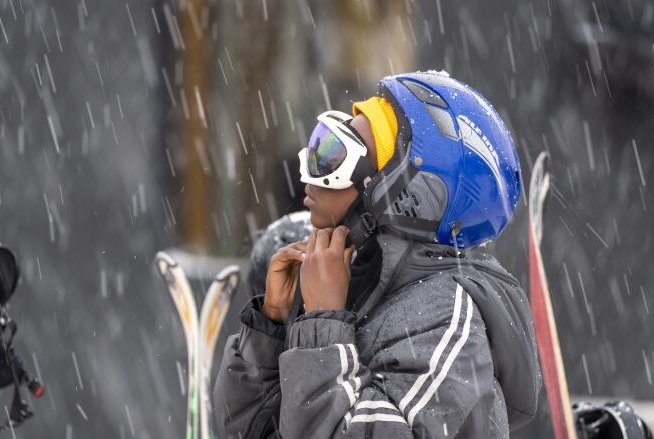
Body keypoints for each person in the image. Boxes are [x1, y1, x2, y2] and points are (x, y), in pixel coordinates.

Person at [214, 71, 541, 438]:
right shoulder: (353, 280)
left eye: (337, 155)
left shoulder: (443, 315)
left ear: (408, 195)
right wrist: (271, 327)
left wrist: (324, 327)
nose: (311, 169)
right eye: (323, 144)